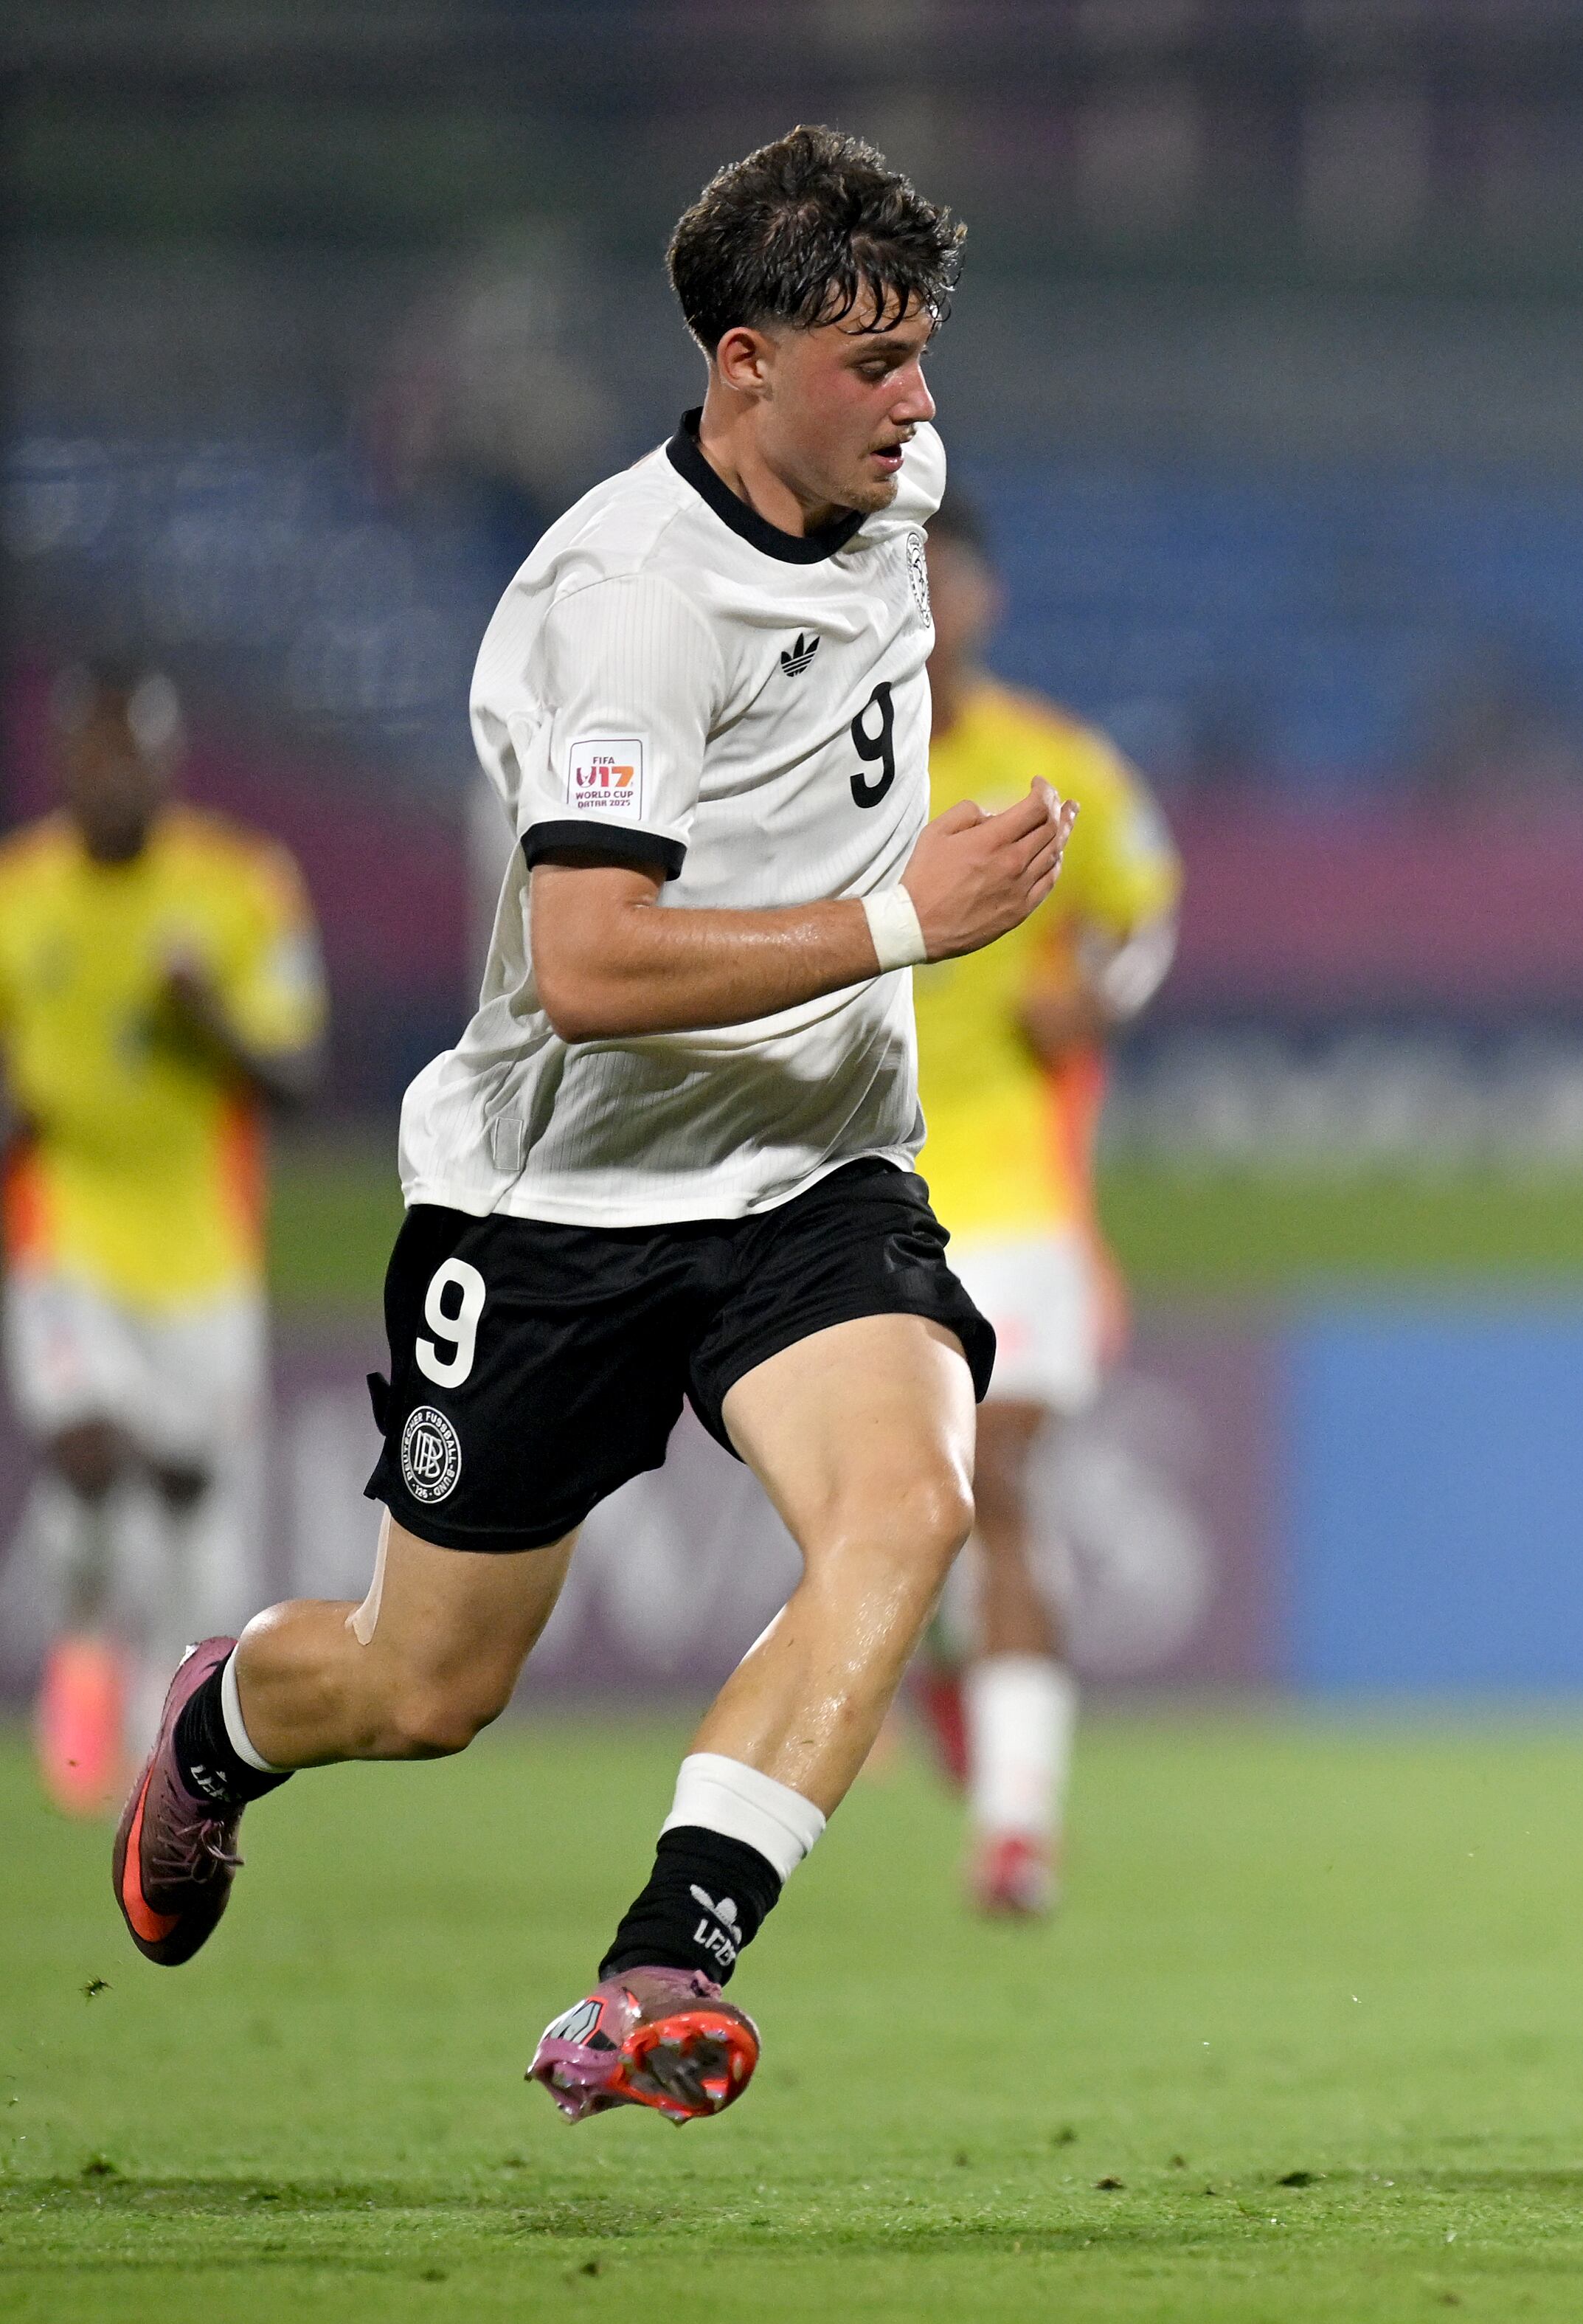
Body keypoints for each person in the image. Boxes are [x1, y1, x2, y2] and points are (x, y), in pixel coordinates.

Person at [105, 125, 1077, 2128]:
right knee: (423, 1685)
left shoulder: (893, 492)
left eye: (922, 353)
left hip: (811, 1178)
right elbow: (588, 961)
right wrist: (909, 917)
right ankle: (218, 1721)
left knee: (908, 1503)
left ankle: (660, 1965)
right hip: (554, 1197)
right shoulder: (626, 604)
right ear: (740, 364)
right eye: (872, 363)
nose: (918, 403)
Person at [901, 489, 1181, 1918]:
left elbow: (1146, 916)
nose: (929, 604)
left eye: (945, 577)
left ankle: (1015, 1829)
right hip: (851, 1195)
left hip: (1014, 1196)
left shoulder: (1054, 765)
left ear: (984, 598)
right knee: (898, 1513)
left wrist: (1102, 996)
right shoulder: (812, 765)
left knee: (993, 1476)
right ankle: (945, 1663)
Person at [2, 662, 323, 1815]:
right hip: (67, 1232)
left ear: (165, 762)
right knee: (87, 1450)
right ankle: (82, 1640)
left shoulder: (239, 888)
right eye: (89, 753)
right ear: (62, 761)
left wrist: (209, 1023)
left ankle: (159, 1739)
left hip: (202, 1256)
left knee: (188, 1492)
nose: (108, 776)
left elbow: (298, 1073)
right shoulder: (17, 895)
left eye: (128, 754)